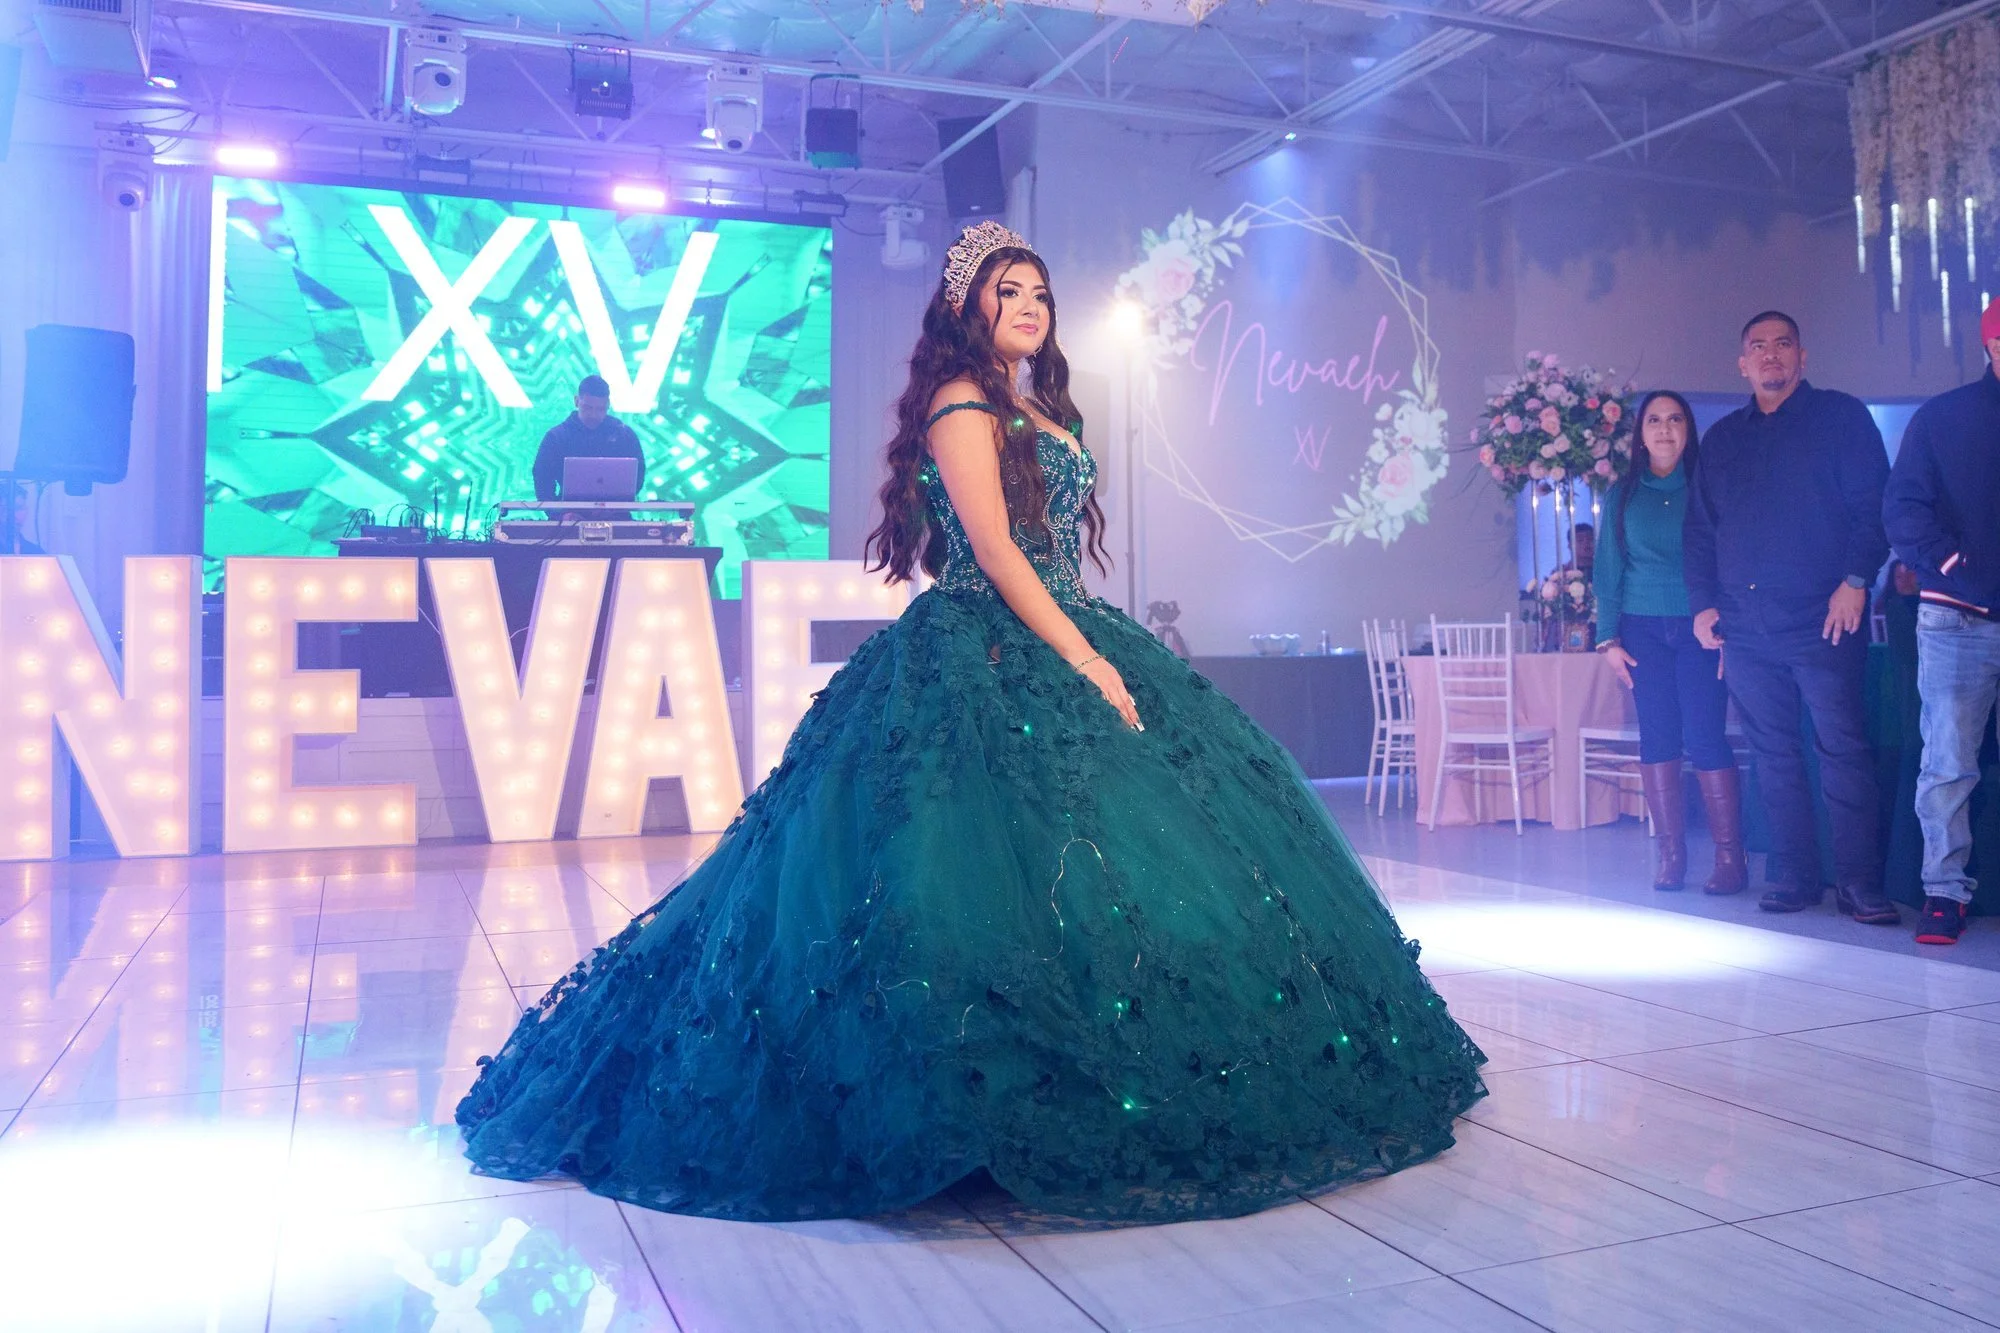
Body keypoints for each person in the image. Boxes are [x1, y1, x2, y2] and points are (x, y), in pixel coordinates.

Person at [454, 221, 1487, 1224]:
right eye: (1009, 290)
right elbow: (992, 551)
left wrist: (1088, 642)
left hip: (1067, 627)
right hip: (985, 647)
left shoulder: (1037, 409)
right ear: (967, 305)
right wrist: (1082, 656)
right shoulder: (959, 401)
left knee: (1121, 858)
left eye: (1039, 292)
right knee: (963, 868)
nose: (1030, 306)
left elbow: (1052, 551)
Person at [1684, 311, 1895, 923]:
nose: (1771, 355)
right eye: (1758, 346)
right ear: (1742, 364)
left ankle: (1858, 884)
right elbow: (1699, 532)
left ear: (1803, 356)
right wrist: (1703, 605)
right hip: (1745, 627)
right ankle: (1795, 876)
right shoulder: (1723, 439)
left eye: (1783, 344)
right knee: (1773, 756)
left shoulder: (1842, 418)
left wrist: (1857, 580)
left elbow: (1872, 506)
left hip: (1824, 618)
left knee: (1843, 751)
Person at [1883, 298, 2000, 945]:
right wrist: (1952, 561)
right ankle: (1943, 893)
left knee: (1952, 760)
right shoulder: (1944, 417)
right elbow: (1901, 508)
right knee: (1950, 761)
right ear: (1990, 345)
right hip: (1957, 617)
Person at [1594, 391, 1744, 893]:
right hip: (1640, 631)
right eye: (1653, 420)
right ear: (1640, 432)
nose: (1663, 429)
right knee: (1657, 736)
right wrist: (1607, 639)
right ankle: (1671, 856)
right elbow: (1608, 571)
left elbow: (1728, 560)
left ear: (1689, 429)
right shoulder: (1622, 494)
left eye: (1674, 419)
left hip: (1700, 628)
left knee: (1705, 736)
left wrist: (1728, 629)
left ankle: (1729, 859)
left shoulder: (1711, 486)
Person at [530, 374, 647, 513]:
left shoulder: (624, 435)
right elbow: (542, 482)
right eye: (587, 407)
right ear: (576, 401)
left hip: (616, 516)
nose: (593, 414)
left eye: (600, 409)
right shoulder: (556, 437)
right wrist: (559, 515)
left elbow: (637, 477)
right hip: (568, 520)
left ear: (608, 405)